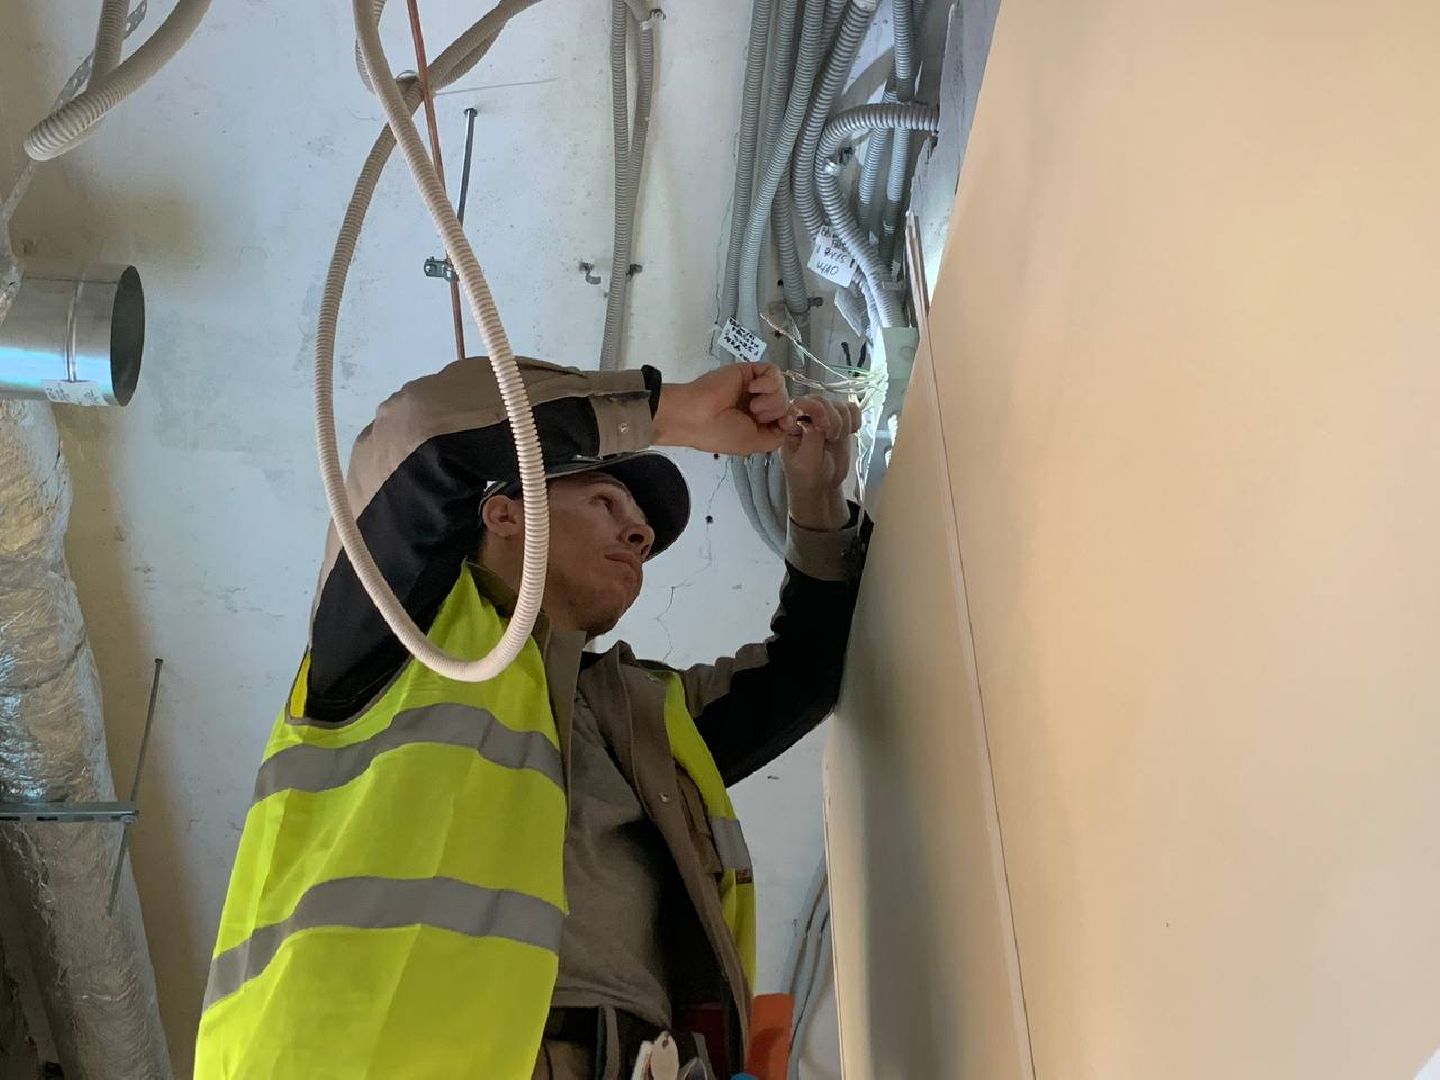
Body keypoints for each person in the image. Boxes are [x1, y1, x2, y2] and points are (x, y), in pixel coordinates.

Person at [194, 355, 867, 1080]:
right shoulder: (400, 634)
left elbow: (807, 672)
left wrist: (816, 500)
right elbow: (421, 433)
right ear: (506, 511)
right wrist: (670, 412)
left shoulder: (645, 715)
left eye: (645, 534)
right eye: (606, 502)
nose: (639, 536)